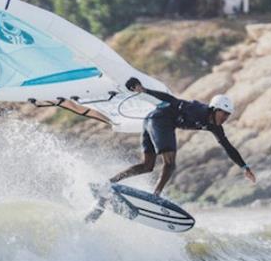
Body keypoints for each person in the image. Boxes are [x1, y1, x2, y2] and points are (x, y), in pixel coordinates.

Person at [89, 77, 256, 213]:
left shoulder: (215, 127)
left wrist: (244, 167)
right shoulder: (197, 110)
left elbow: (228, 147)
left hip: (152, 121)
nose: (225, 117)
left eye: (228, 115)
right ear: (214, 109)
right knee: (170, 164)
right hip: (159, 121)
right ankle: (155, 196)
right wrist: (145, 90)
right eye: (224, 113)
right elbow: (171, 100)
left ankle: (109, 183)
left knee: (147, 166)